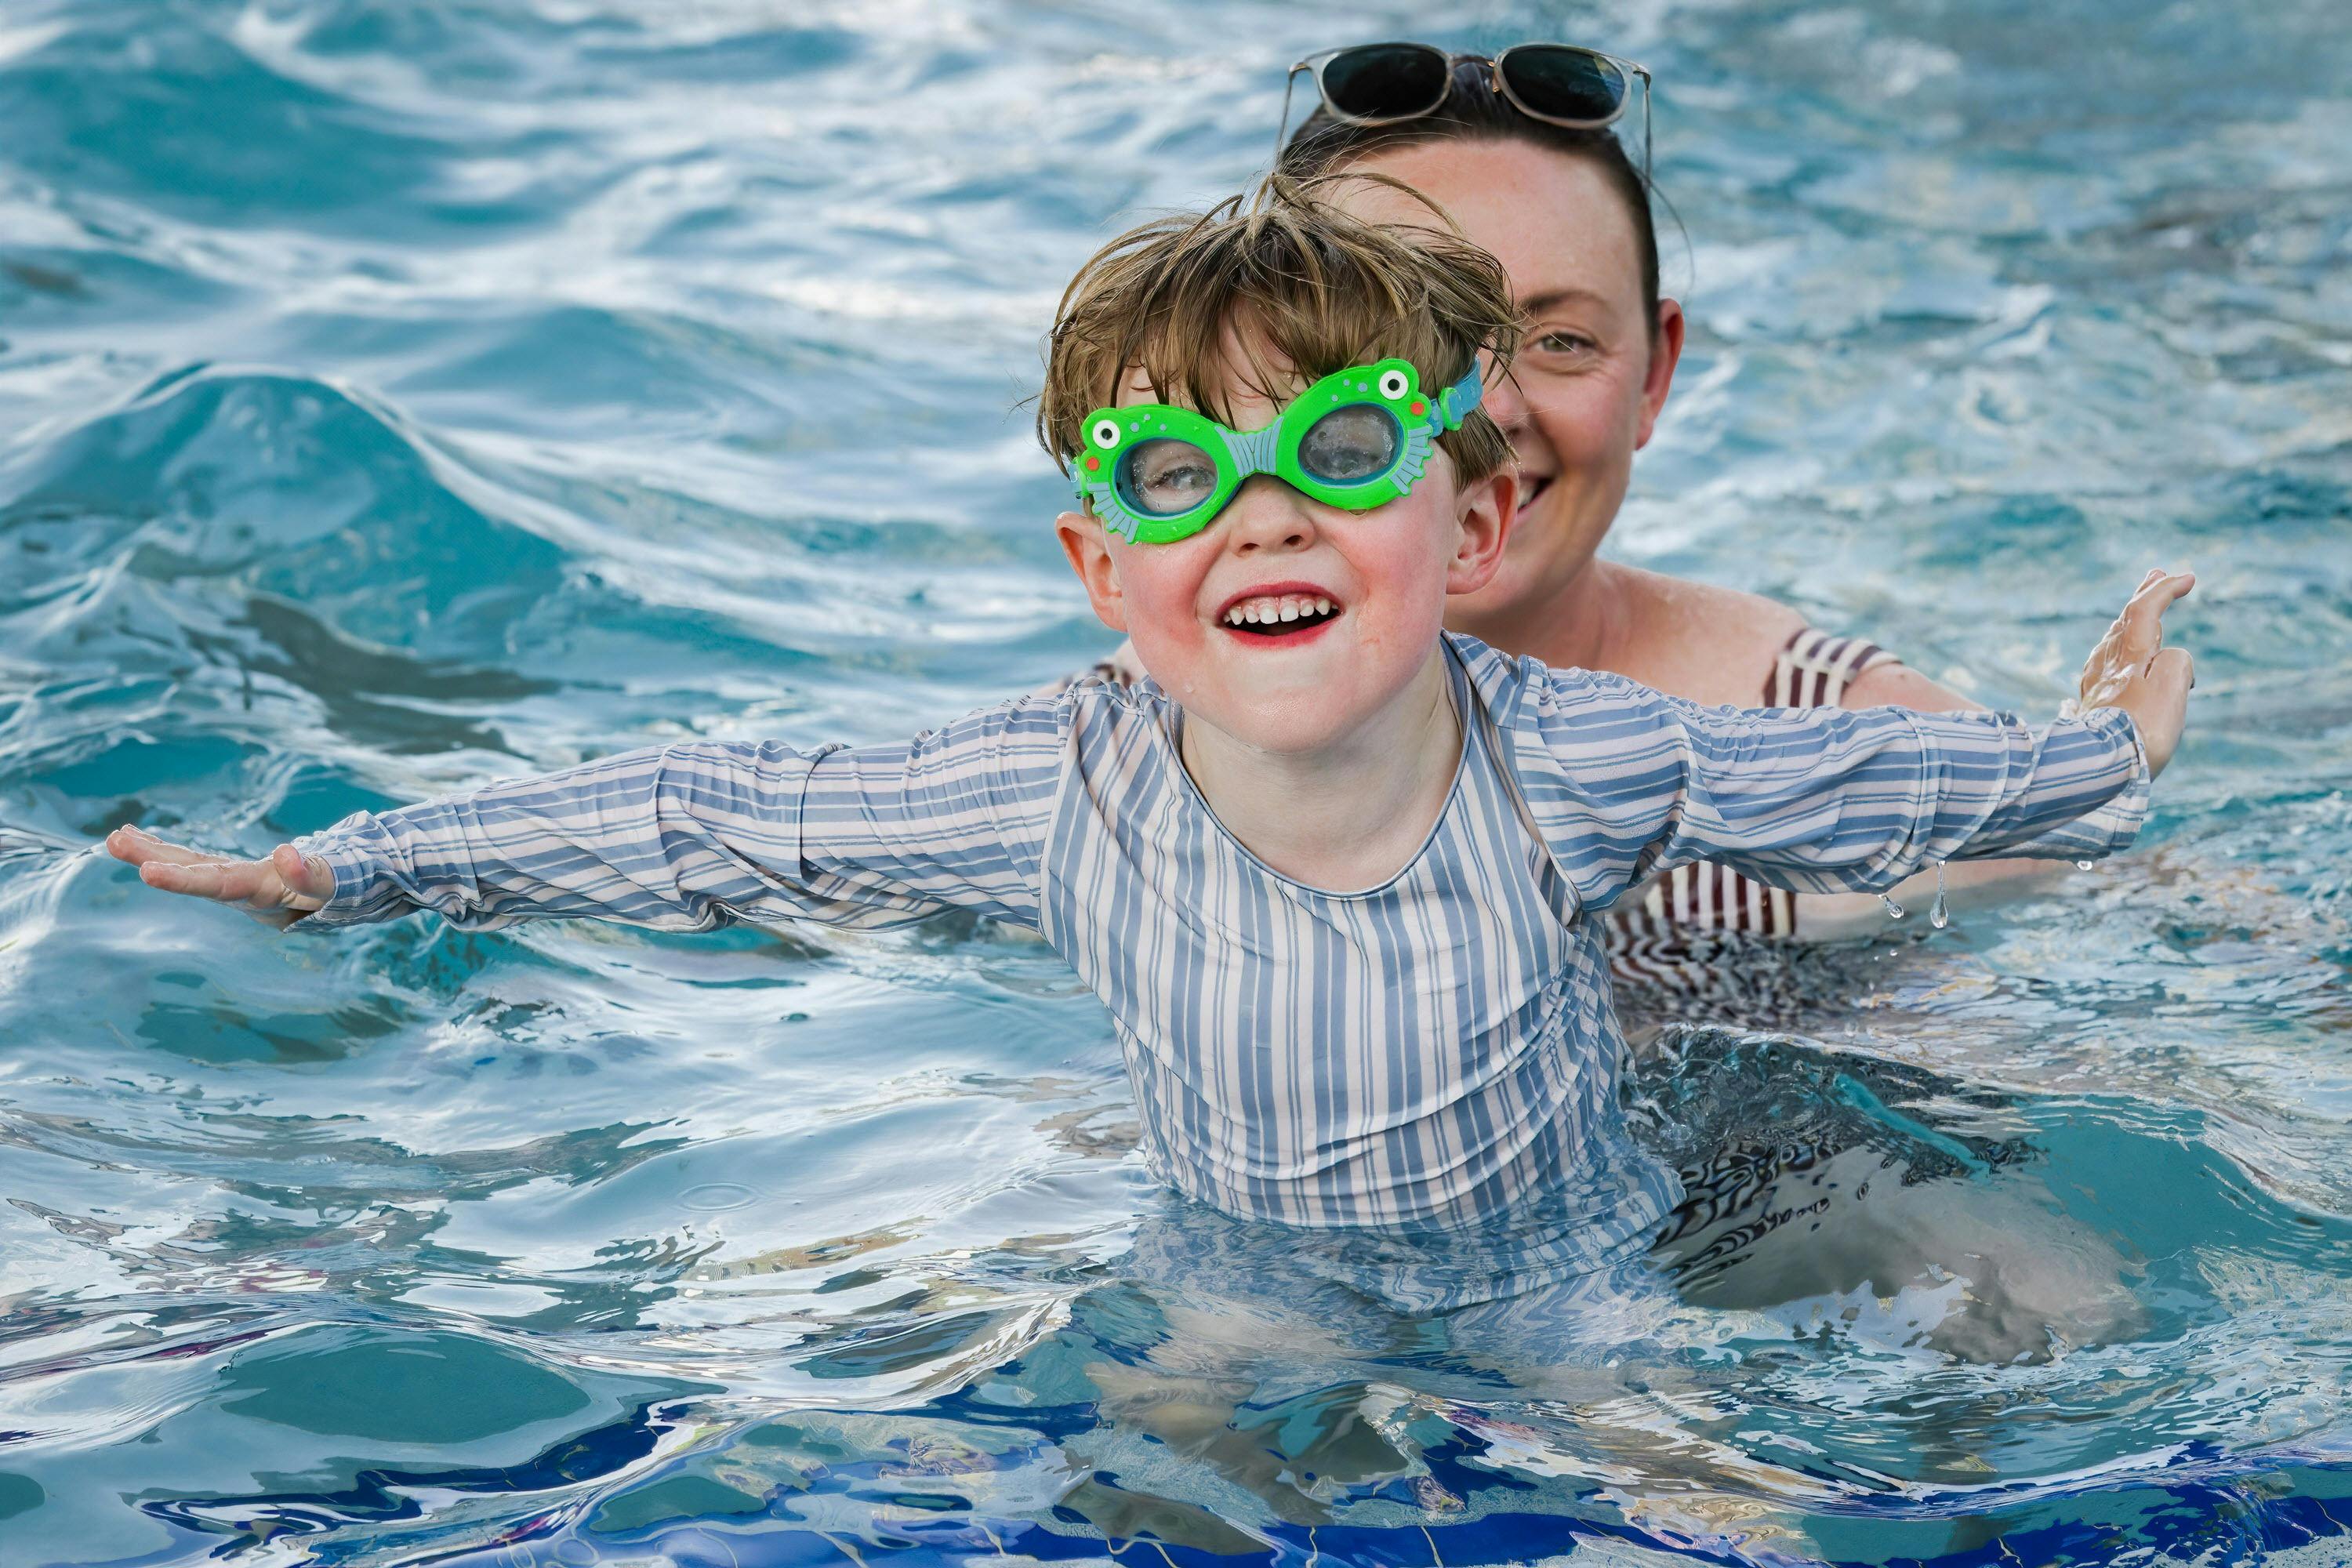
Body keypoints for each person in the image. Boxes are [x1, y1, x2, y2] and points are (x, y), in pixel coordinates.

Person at [102, 179, 2192, 1319]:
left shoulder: (1569, 753)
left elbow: (1846, 789)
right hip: (1241, 1272)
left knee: (1680, 1516)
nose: (1261, 516)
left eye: (1342, 453)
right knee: (1166, 1494)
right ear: (1106, 570)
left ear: (1463, 533)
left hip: (1578, 1279)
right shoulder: (1058, 780)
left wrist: (2098, 764)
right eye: (1181, 479)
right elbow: (712, 818)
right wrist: (359, 862)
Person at [1063, 45, 2059, 948]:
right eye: (1404, 358)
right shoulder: (1118, 759)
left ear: (1655, 375)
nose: (1489, 408)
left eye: (1561, 341)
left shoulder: (1847, 767)